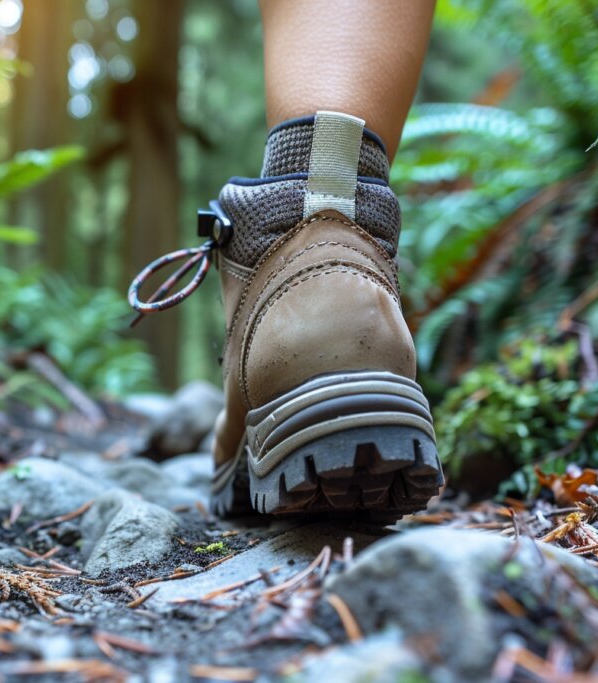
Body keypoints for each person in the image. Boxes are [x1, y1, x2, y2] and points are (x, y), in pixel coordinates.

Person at [130, 0, 443, 518]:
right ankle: (355, 277)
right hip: (375, 311)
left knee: (316, 175)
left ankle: (275, 339)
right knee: (342, 173)